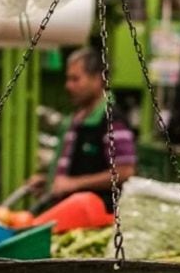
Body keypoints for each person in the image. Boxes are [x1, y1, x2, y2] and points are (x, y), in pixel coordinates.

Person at [30, 47, 137, 212]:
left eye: (75, 79)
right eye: (68, 79)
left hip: (94, 217)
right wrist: (49, 181)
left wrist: (74, 184)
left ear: (97, 79)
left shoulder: (111, 120)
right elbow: (78, 168)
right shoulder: (78, 118)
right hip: (69, 212)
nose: (68, 86)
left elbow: (125, 171)